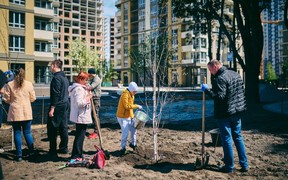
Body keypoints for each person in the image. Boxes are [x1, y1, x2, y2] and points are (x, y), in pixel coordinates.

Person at [201, 59, 249, 173]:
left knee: (226, 139)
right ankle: (245, 164)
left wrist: (207, 90)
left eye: (210, 70)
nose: (210, 72)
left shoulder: (219, 79)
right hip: (237, 112)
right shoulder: (235, 74)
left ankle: (229, 166)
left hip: (225, 114)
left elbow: (220, 97)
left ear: (215, 67)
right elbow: (237, 92)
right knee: (238, 137)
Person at [3, 68, 36, 162]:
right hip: (26, 111)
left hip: (15, 112)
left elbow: (6, 99)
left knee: (17, 133)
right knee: (27, 132)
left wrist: (13, 101)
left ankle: (19, 155)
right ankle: (32, 152)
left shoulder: (9, 84)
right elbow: (33, 98)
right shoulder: (29, 84)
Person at [68, 72, 93, 159]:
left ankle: (78, 153)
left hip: (82, 115)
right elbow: (79, 103)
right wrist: (88, 97)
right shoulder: (78, 89)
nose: (87, 82)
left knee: (80, 135)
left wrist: (87, 92)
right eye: (86, 80)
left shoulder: (81, 88)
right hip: (80, 116)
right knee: (80, 136)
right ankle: (76, 155)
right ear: (80, 79)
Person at [48, 60, 70, 158]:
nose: (50, 68)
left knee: (52, 128)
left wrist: (52, 108)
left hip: (58, 105)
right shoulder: (65, 77)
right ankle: (64, 148)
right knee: (63, 127)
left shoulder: (56, 78)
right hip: (65, 104)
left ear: (54, 65)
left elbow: (55, 94)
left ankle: (53, 150)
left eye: (50, 66)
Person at [116, 82, 142, 155]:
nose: (135, 92)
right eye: (134, 91)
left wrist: (132, 116)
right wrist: (136, 106)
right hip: (122, 117)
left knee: (134, 130)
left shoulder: (131, 95)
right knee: (125, 132)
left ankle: (133, 144)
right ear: (131, 90)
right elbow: (127, 106)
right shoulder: (125, 94)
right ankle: (122, 148)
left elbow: (130, 108)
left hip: (129, 116)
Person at [87, 68, 102, 139]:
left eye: (89, 74)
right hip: (93, 98)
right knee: (93, 115)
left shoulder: (96, 79)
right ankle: (96, 131)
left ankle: (97, 132)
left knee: (95, 115)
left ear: (91, 74)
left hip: (96, 99)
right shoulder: (93, 79)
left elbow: (90, 87)